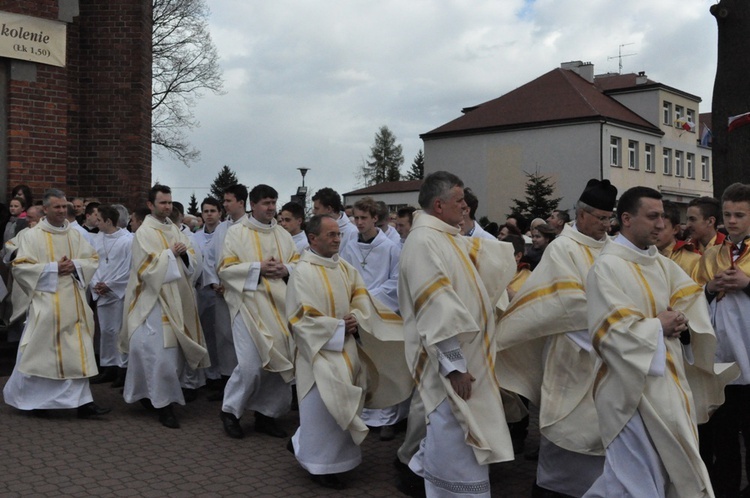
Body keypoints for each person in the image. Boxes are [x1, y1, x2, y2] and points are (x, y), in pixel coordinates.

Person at [584, 186, 736, 497]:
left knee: (664, 473)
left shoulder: (661, 263)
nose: (660, 224)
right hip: (629, 392)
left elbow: (689, 301)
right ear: (626, 218)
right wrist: (657, 326)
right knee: (633, 479)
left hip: (667, 383)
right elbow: (607, 333)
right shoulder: (607, 267)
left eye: (662, 217)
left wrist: (681, 320)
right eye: (652, 216)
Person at [399, 171, 517, 497]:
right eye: (460, 200)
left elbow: (475, 267)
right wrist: (455, 366)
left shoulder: (443, 235)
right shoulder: (423, 241)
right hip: (449, 362)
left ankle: (422, 474)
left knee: (456, 432)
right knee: (455, 436)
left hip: (468, 356)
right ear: (439, 205)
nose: (465, 207)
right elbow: (436, 307)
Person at [497, 179, 617, 497]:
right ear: (582, 213)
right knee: (565, 430)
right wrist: (615, 321)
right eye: (601, 218)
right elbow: (565, 303)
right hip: (572, 353)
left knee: (601, 437)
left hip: (607, 355)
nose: (606, 225)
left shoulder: (612, 246)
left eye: (610, 218)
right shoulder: (563, 248)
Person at [286, 214, 412, 490]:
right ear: (312, 238)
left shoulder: (343, 267)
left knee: (342, 406)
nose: (337, 239)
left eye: (338, 234)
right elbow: (299, 319)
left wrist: (356, 316)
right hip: (317, 354)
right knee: (323, 410)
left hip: (345, 348)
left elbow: (361, 296)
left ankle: (332, 459)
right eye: (331, 235)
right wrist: (336, 327)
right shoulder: (302, 271)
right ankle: (318, 466)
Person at [3, 189, 110, 418]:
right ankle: (36, 401)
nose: (62, 211)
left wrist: (75, 266)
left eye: (64, 207)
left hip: (74, 302)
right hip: (47, 302)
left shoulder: (75, 234)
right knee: (42, 353)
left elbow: (91, 259)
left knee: (78, 351)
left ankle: (83, 402)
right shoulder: (33, 236)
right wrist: (53, 268)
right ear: (46, 209)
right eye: (57, 207)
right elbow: (20, 267)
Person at [119, 184, 209, 429]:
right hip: (153, 301)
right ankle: (163, 405)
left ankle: (153, 397)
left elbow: (192, 258)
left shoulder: (174, 229)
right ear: (151, 205)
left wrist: (183, 254)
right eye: (163, 203)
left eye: (170, 202)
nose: (168, 207)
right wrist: (170, 254)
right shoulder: (144, 232)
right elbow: (145, 268)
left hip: (177, 298)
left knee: (170, 355)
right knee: (159, 355)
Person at [218, 184, 298, 439]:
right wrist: (257, 268)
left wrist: (286, 270)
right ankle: (230, 411)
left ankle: (267, 414)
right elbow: (225, 269)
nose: (271, 208)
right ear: (253, 205)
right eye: (266, 203)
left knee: (279, 361)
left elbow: (298, 264)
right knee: (251, 365)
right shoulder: (237, 233)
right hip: (248, 306)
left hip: (280, 307)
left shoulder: (283, 235)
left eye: (274, 202)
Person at [693, 182, 750, 497]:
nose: (732, 220)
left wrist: (747, 283)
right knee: (723, 439)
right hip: (721, 363)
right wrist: (709, 290)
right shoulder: (712, 253)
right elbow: (694, 298)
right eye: (727, 214)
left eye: (740, 214)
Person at [339, 196, 403, 440]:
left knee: (384, 364)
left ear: (375, 218)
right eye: (356, 217)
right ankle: (364, 414)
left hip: (381, 312)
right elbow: (343, 273)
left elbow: (396, 283)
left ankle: (387, 418)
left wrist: (367, 297)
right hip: (356, 312)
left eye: (364, 218)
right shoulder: (349, 245)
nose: (359, 222)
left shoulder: (390, 248)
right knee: (361, 364)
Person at [88, 205, 133, 387]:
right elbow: (91, 263)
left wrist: (110, 285)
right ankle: (108, 367)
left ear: (108, 221)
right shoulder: (96, 240)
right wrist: (96, 284)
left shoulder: (128, 240)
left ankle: (122, 369)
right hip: (101, 292)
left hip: (118, 293)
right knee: (106, 331)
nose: (95, 223)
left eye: (99, 220)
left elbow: (129, 268)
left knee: (120, 331)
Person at [191, 197, 224, 383]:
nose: (209, 214)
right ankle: (208, 372)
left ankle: (221, 372)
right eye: (206, 211)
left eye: (213, 211)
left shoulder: (226, 232)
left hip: (220, 289)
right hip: (201, 288)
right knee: (205, 332)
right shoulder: (195, 237)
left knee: (221, 333)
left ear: (220, 213)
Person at [656, 200, 701, 277]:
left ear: (675, 229)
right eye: (654, 227)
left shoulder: (692, 260)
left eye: (662, 228)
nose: (655, 232)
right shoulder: (643, 255)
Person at [311, 187, 357, 251]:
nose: (313, 212)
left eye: (317, 208)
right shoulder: (316, 229)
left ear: (329, 209)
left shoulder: (352, 233)